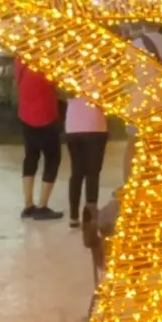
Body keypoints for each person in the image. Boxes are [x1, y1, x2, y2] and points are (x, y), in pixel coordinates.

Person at [17, 59, 63, 220]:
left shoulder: (20, 57)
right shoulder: (45, 58)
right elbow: (56, 82)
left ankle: (28, 204)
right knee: (53, 157)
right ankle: (42, 206)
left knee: (31, 156)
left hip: (26, 112)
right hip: (46, 114)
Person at [65, 96, 108, 229]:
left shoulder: (69, 74)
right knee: (92, 173)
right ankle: (90, 217)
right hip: (95, 125)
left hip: (72, 125)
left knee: (76, 172)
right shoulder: (101, 75)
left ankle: (73, 216)